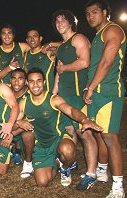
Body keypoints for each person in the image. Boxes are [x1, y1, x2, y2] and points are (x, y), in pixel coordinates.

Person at [17, 67, 103, 187]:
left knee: (67, 150)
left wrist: (84, 120)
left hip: (58, 139)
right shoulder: (24, 102)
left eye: (39, 81)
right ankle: (57, 163)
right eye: (31, 81)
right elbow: (14, 123)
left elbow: (72, 111)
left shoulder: (53, 99)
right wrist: (18, 122)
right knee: (42, 182)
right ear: (27, 83)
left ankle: (65, 168)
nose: (35, 84)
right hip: (41, 145)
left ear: (44, 82)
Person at [52, 9, 99, 190]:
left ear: (71, 22)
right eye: (57, 21)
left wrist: (64, 69)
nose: (60, 23)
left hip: (78, 97)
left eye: (63, 20)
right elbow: (59, 70)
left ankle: (92, 173)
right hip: (64, 96)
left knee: (85, 134)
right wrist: (55, 88)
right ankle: (70, 165)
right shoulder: (63, 45)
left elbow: (84, 62)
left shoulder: (78, 38)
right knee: (70, 130)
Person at [85, 1, 126, 197]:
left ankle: (118, 186)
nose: (90, 16)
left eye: (94, 12)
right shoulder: (96, 36)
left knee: (110, 137)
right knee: (98, 133)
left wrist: (91, 87)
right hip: (96, 91)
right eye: (87, 14)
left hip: (108, 91)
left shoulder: (113, 30)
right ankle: (102, 169)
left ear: (105, 12)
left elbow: (107, 61)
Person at [9, 68, 35, 177]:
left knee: (28, 132)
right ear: (10, 80)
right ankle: (15, 149)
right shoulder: (6, 91)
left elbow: (32, 122)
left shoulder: (30, 95)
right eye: (14, 79)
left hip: (25, 129)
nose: (16, 82)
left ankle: (28, 163)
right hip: (11, 126)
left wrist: (14, 132)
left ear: (25, 81)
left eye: (20, 79)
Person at [25, 27, 55, 92]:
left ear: (40, 38)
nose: (32, 39)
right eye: (29, 37)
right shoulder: (25, 55)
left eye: (34, 36)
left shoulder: (48, 51)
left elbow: (67, 46)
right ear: (27, 40)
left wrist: (51, 44)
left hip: (48, 93)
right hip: (33, 95)